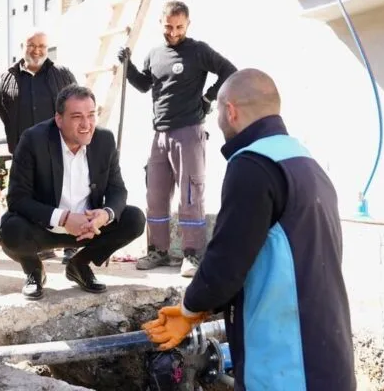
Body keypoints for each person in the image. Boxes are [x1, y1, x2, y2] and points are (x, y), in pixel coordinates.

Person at [142, 69, 355, 391]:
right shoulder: (302, 160)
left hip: (287, 362)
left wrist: (190, 308)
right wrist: (201, 308)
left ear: (231, 110)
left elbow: (227, 260)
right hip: (327, 353)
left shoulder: (252, 165)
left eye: (217, 111)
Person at [119, 0, 237, 277]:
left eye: (179, 27)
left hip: (189, 131)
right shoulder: (155, 54)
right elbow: (144, 85)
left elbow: (229, 70)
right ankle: (157, 251)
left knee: (190, 194)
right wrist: (128, 66)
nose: (173, 32)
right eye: (168, 27)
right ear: (161, 23)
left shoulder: (198, 51)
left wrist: (208, 98)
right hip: (159, 133)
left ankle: (192, 255)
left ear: (188, 24)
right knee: (156, 194)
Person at [0, 85, 146, 300]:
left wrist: (104, 214)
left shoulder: (104, 140)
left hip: (88, 228)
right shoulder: (33, 140)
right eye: (77, 117)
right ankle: (33, 271)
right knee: (11, 229)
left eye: (91, 115)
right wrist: (64, 218)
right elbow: (18, 199)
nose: (86, 124)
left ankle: (79, 265)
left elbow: (117, 189)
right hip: (43, 228)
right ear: (59, 119)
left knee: (134, 219)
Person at [0, 28, 78, 263]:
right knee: (33, 200)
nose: (37, 50)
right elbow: (5, 113)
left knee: (65, 196)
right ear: (23, 47)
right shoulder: (9, 77)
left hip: (59, 147)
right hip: (26, 151)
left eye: (42, 46)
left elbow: (75, 106)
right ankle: (42, 244)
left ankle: (70, 246)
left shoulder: (61, 74)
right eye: (32, 45)